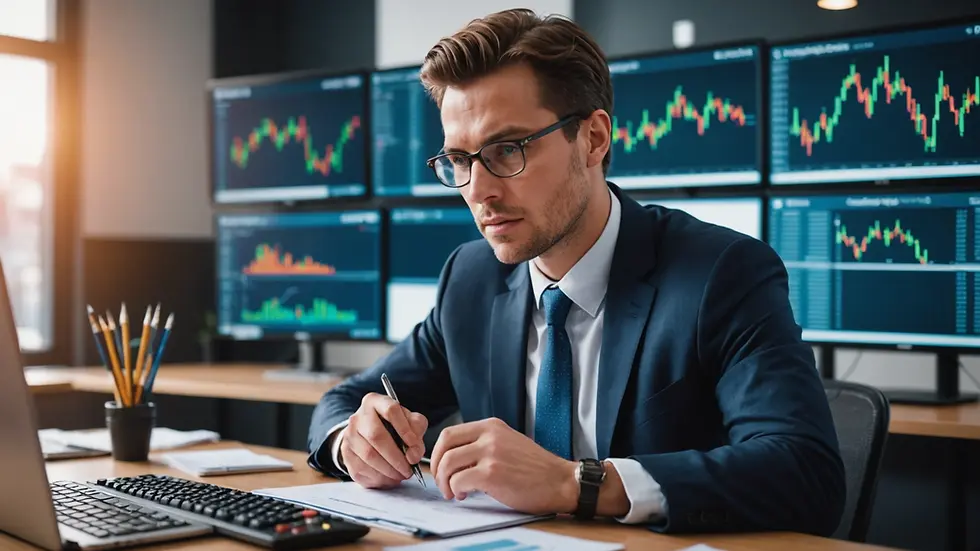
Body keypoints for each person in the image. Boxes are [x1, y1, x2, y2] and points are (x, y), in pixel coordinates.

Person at [307, 8, 845, 535]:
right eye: (461, 160)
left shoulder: (720, 274)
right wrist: (352, 441)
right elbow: (346, 402)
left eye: (507, 150)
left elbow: (806, 473)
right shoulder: (470, 278)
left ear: (593, 139)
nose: (479, 190)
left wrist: (575, 484)